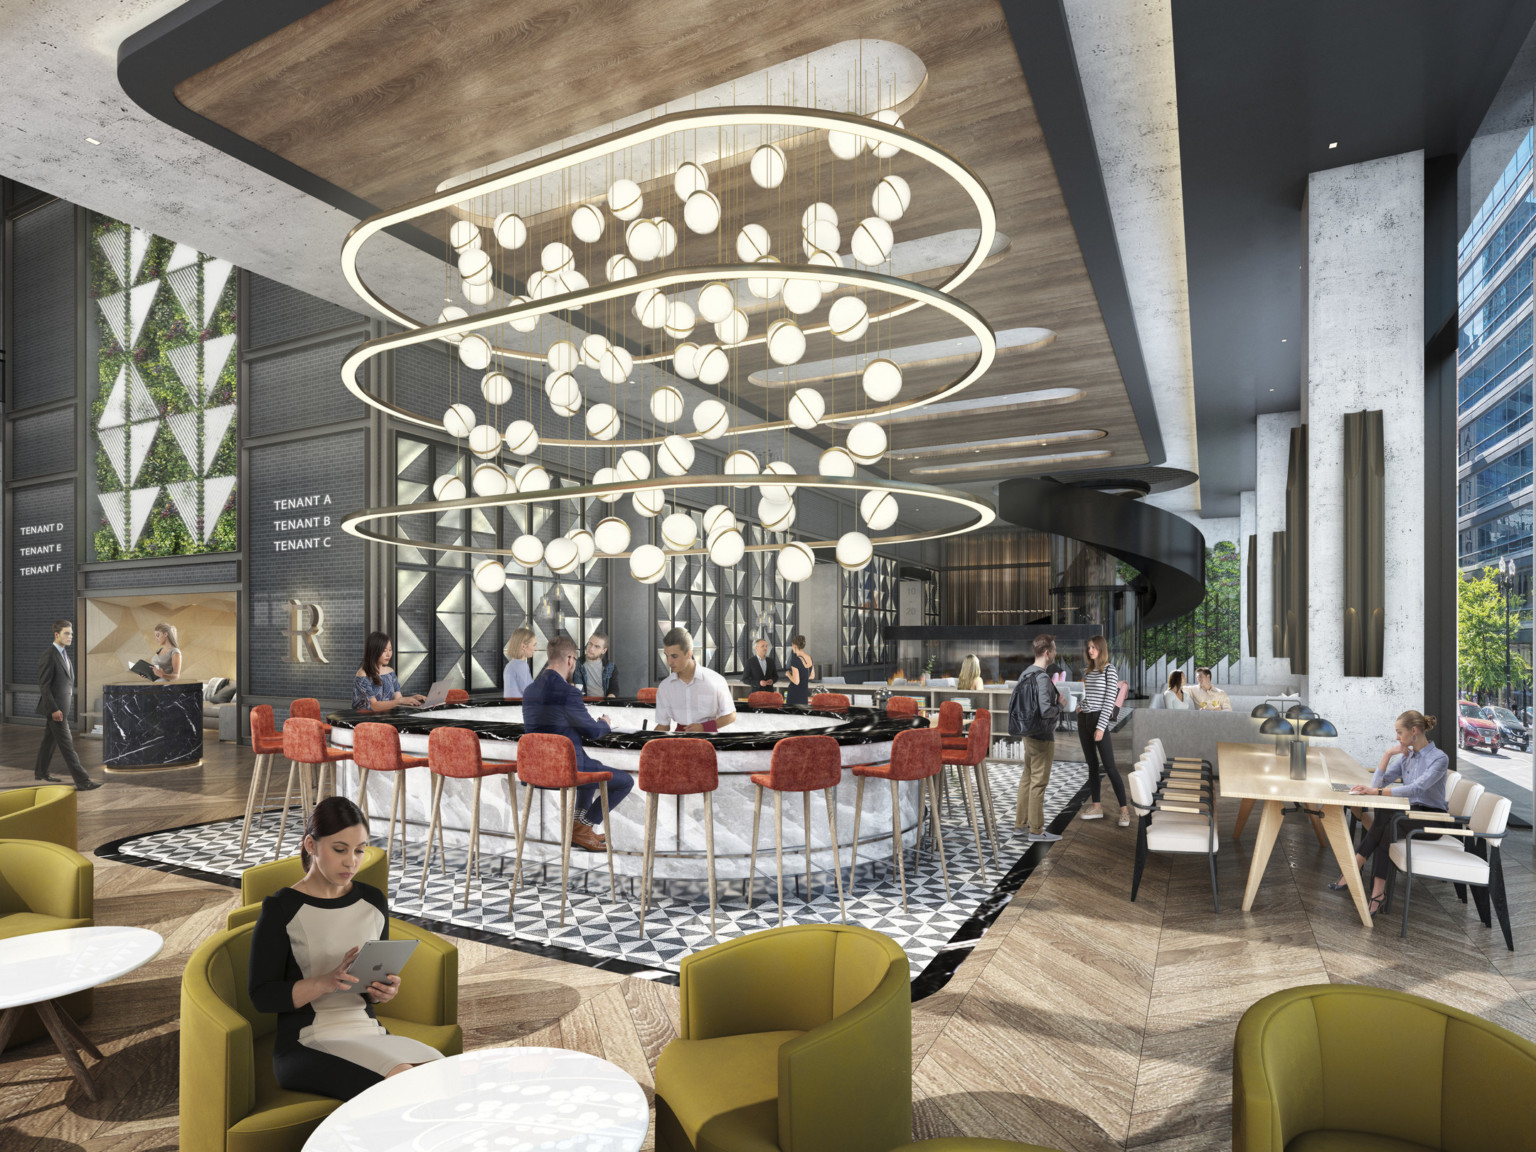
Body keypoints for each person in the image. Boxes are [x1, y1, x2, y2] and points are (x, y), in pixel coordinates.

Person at [248, 796, 441, 1101]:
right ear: (311, 845)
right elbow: (262, 996)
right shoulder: (281, 908)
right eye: (340, 849)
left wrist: (382, 991)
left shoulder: (373, 901)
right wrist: (325, 982)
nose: (351, 861)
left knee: (443, 1074)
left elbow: (370, 982)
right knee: (404, 1082)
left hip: (368, 1031)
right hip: (306, 1042)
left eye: (360, 850)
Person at [1328, 710, 1449, 917]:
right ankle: (1377, 892)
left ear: (1414, 731)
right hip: (1409, 814)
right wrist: (1388, 754)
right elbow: (1376, 784)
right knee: (1385, 817)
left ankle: (1353, 870)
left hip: (1431, 819)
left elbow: (1417, 789)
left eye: (1399, 732)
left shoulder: (1439, 758)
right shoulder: (1406, 758)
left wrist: (1378, 792)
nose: (1397, 737)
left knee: (1387, 820)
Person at [521, 635, 633, 851]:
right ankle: (583, 827)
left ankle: (579, 829)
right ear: (571, 659)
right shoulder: (568, 692)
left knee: (590, 768)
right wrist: (605, 724)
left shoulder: (530, 691)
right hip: (567, 769)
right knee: (625, 781)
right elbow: (592, 731)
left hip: (535, 769)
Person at [1008, 633, 1064, 842]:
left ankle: (1020, 827)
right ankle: (1037, 831)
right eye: (1055, 650)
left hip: (1028, 734)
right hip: (1042, 736)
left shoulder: (1025, 674)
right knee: (1038, 783)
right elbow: (1045, 710)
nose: (1055, 654)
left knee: (1027, 779)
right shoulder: (1041, 677)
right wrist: (1060, 705)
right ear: (1047, 652)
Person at [34, 620, 99, 790]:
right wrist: (54, 709)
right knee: (67, 745)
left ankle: (41, 772)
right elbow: (45, 686)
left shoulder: (63, 654)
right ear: (56, 635)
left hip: (61, 708)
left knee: (49, 741)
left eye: (71, 633)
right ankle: (83, 781)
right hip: (55, 709)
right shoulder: (49, 655)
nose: (70, 636)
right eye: (67, 633)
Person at [1076, 634, 1129, 826]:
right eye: (1089, 647)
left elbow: (1108, 700)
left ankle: (1124, 811)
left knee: (1110, 767)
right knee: (1092, 765)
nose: (1090, 650)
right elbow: (1087, 696)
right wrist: (1080, 706)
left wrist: (1101, 726)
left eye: (1094, 647)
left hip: (1099, 719)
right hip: (1084, 719)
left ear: (1101, 649)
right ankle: (1097, 807)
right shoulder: (1087, 671)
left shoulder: (1109, 670)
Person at [655, 627, 737, 732]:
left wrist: (704, 727)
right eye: (667, 656)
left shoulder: (715, 680)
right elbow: (663, 726)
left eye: (674, 656)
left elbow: (731, 715)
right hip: (678, 741)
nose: (669, 662)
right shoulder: (665, 687)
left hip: (709, 740)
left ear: (689, 654)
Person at [353, 632, 426, 712]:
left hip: (387, 716)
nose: (388, 654)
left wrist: (413, 698)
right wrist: (400, 701)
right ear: (374, 651)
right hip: (366, 720)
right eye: (384, 651)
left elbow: (398, 698)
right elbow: (373, 706)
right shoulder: (363, 674)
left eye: (390, 650)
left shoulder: (390, 672)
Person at [579, 631, 618, 699]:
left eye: (597, 647)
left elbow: (614, 689)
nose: (591, 649)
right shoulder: (577, 663)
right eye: (590, 644)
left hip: (603, 704)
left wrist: (609, 701)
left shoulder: (611, 667)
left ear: (604, 651)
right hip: (582, 703)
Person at [503, 626, 536, 698]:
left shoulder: (509, 666)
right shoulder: (521, 665)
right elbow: (530, 693)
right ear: (523, 646)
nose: (535, 649)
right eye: (534, 645)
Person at [785, 635, 813, 707]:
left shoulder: (795, 660)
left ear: (794, 646)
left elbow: (796, 682)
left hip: (795, 694)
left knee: (792, 716)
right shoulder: (809, 658)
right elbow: (812, 676)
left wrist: (788, 674)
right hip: (804, 694)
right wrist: (802, 675)